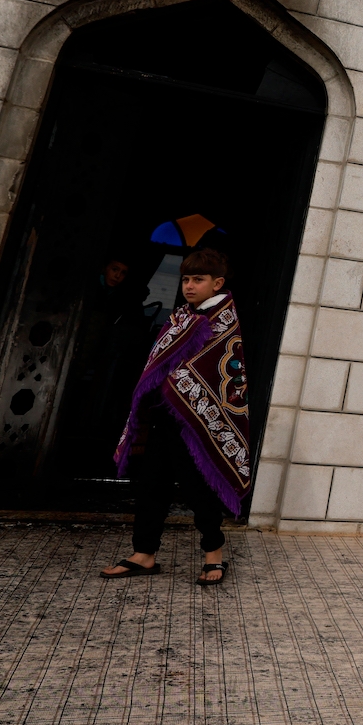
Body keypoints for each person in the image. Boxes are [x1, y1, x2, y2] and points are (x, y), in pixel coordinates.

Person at [100, 248, 253, 585]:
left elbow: (218, 372)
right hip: (165, 415)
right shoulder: (181, 317)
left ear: (217, 283)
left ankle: (214, 554)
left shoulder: (223, 320)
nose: (189, 285)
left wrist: (180, 390)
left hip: (197, 421)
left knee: (198, 488)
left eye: (198, 279)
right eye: (186, 279)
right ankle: (144, 553)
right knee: (152, 484)